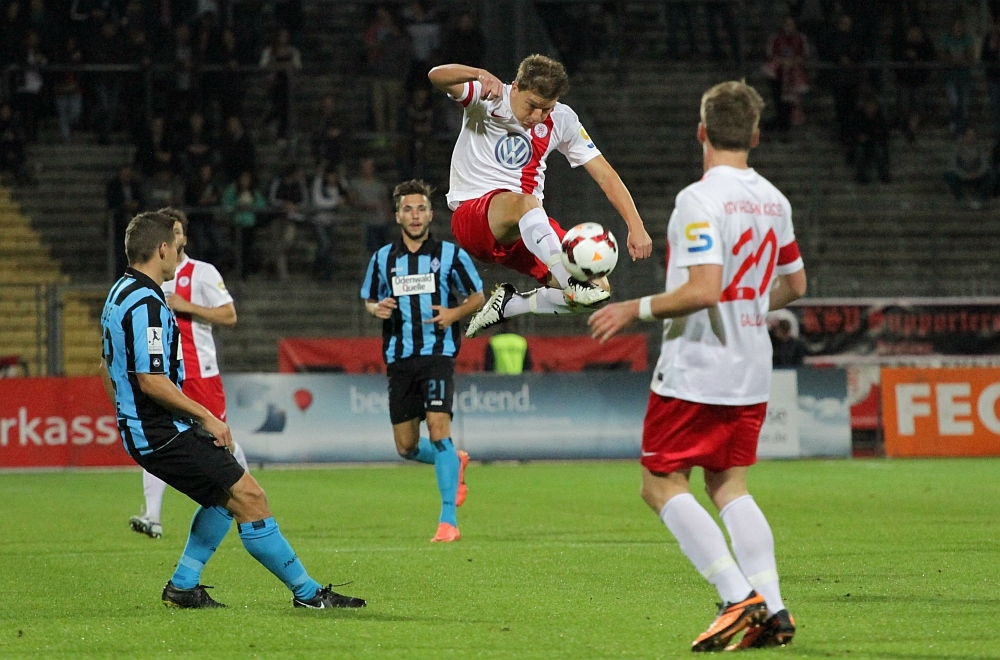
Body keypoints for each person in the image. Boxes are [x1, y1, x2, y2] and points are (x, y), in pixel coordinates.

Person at [588, 80, 807, 652]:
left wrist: (632, 309)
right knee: (729, 483)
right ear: (756, 136)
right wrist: (749, 308)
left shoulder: (698, 200)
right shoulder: (775, 201)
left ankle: (737, 598)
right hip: (751, 366)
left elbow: (704, 289)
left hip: (698, 366)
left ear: (702, 132)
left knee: (660, 483)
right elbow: (795, 285)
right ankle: (774, 609)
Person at [100, 210, 365, 609]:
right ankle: (309, 595)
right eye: (175, 246)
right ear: (162, 249)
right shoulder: (148, 304)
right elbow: (151, 380)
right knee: (250, 496)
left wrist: (126, 417)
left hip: (149, 428)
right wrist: (204, 416)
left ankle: (183, 586)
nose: (178, 253)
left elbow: (104, 366)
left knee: (223, 498)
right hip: (161, 431)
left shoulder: (119, 293)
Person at [427, 54, 651, 337]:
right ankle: (568, 279)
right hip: (474, 220)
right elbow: (436, 75)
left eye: (546, 109)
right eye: (532, 106)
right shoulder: (488, 96)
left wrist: (636, 225)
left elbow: (605, 175)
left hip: (526, 229)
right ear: (516, 87)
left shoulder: (563, 119)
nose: (537, 117)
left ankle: (510, 305)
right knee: (526, 203)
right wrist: (478, 72)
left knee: (597, 290)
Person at [360, 179, 484, 543]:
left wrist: (453, 313)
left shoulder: (450, 256)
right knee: (407, 447)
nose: (414, 215)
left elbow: (477, 297)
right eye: (407, 209)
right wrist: (377, 309)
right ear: (397, 215)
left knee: (438, 427)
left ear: (430, 214)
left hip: (438, 354)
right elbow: (369, 300)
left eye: (421, 209)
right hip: (399, 358)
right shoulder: (383, 259)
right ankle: (454, 461)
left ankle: (448, 522)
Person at [129, 208, 240, 539]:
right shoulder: (151, 278)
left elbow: (230, 315)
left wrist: (186, 306)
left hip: (199, 373)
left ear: (184, 238)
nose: (173, 238)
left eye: (176, 231)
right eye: (168, 232)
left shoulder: (202, 272)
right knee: (160, 440)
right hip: (164, 375)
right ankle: (152, 515)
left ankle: (247, 499)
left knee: (221, 441)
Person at [763, 16, 810, 134]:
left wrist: (795, 61)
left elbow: (804, 54)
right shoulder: (775, 38)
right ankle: (782, 125)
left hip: (794, 76)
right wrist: (781, 61)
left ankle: (787, 124)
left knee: (790, 102)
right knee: (779, 100)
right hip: (778, 74)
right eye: (787, 25)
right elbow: (770, 53)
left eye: (791, 25)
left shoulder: (801, 38)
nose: (789, 27)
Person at [892, 25, 936, 143]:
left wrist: (917, 58)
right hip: (904, 81)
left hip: (919, 82)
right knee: (904, 105)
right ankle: (906, 126)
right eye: (912, 33)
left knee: (918, 107)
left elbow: (930, 59)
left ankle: (911, 129)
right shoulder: (901, 45)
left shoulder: (926, 45)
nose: (914, 35)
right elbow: (896, 58)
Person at [222, 170, 268, 279]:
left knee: (247, 249)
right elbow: (225, 203)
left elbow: (262, 205)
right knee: (237, 249)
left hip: (249, 225)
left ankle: (244, 273)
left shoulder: (254, 192)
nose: (245, 181)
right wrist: (237, 205)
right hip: (236, 223)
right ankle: (236, 270)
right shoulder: (232, 190)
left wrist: (251, 205)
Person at [268, 164, 309, 280]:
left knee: (286, 241)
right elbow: (272, 199)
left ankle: (270, 259)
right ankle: (283, 276)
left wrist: (294, 206)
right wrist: (283, 204)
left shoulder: (300, 185)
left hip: (292, 219)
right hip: (277, 218)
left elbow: (305, 202)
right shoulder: (278, 182)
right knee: (277, 242)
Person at [106, 165, 146, 275]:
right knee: (120, 253)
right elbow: (111, 203)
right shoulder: (113, 186)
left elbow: (142, 200)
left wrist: (136, 205)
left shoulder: (135, 186)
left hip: (134, 225)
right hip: (119, 225)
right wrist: (125, 206)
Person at [311, 166, 348, 281]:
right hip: (320, 221)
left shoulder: (338, 189)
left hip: (331, 222)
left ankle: (327, 274)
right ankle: (317, 267)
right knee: (325, 245)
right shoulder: (321, 187)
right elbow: (319, 202)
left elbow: (346, 191)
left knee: (330, 248)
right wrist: (335, 203)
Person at [940, 18, 976, 136]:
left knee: (964, 104)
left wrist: (961, 59)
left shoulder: (967, 38)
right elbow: (941, 53)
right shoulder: (946, 38)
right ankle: (953, 122)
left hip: (964, 76)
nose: (958, 29)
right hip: (950, 76)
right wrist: (952, 60)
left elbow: (971, 54)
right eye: (956, 26)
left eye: (960, 26)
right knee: (954, 101)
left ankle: (960, 129)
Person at [944, 127, 995, 209]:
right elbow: (952, 165)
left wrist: (976, 174)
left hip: (977, 175)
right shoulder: (958, 148)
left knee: (991, 174)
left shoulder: (980, 148)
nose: (970, 138)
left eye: (973, 136)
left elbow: (985, 165)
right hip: (962, 175)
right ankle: (960, 199)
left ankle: (982, 199)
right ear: (964, 137)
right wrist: (964, 174)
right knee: (949, 175)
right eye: (968, 135)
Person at [349, 157, 391, 253]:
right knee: (373, 247)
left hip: (381, 220)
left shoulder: (380, 185)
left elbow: (385, 202)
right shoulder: (356, 184)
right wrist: (365, 206)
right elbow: (352, 200)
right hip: (366, 221)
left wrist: (388, 215)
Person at [849, 95, 890, 184]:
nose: (870, 108)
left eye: (872, 106)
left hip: (875, 143)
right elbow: (853, 131)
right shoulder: (859, 117)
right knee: (859, 151)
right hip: (862, 144)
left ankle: (884, 174)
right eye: (868, 106)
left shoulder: (880, 118)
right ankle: (861, 175)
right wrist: (859, 137)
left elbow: (884, 133)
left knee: (880, 151)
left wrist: (873, 137)